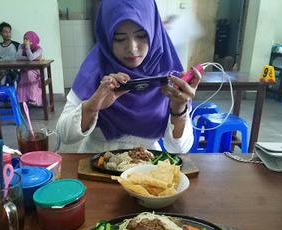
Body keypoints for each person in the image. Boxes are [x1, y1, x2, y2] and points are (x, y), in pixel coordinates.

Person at [56, 0, 201, 153]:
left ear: (154, 30)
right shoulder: (95, 69)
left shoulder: (168, 72)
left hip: (147, 165)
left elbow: (179, 148)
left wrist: (179, 108)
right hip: (95, 162)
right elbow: (63, 135)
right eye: (119, 38)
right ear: (107, 36)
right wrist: (92, 106)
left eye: (141, 36)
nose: (132, 49)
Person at [16, 31, 44, 107]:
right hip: (25, 69)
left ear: (32, 40)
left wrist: (28, 47)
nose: (25, 41)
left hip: (37, 70)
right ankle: (23, 99)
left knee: (29, 74)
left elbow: (31, 58)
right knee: (24, 74)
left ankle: (34, 99)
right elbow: (18, 57)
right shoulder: (21, 46)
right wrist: (33, 58)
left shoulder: (39, 49)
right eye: (24, 39)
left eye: (27, 39)